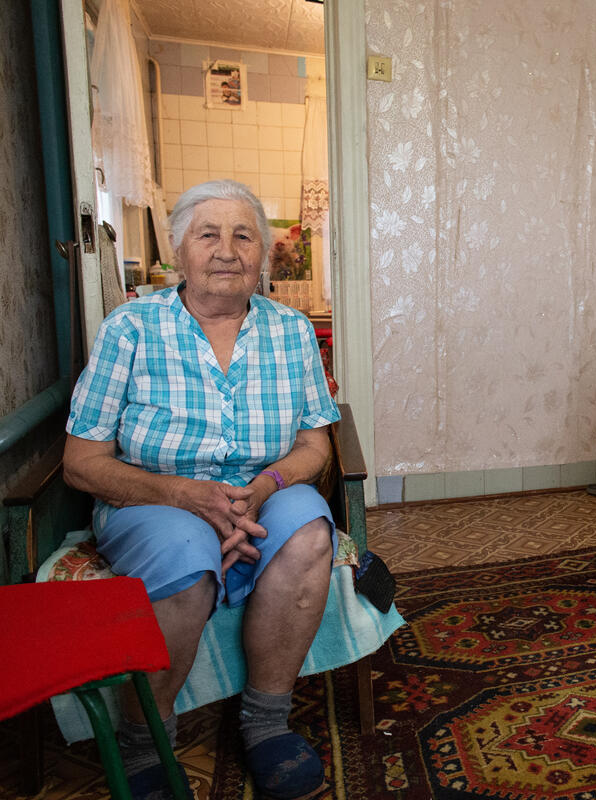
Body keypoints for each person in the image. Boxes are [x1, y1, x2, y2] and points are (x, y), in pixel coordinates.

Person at [64, 179, 340, 800]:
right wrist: (187, 497)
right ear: (178, 250)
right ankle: (145, 743)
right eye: (208, 234)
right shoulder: (131, 328)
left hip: (261, 493)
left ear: (262, 254)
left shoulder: (292, 330)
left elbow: (314, 446)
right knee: (186, 552)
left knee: (309, 533)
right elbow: (82, 462)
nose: (227, 250)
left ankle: (266, 723)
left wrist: (263, 488)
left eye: (244, 236)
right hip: (153, 499)